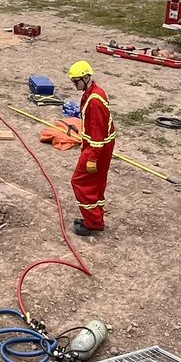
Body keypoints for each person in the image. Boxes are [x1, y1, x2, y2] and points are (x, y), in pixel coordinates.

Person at [67, 60, 117, 237]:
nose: (75, 86)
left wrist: (91, 158)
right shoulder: (93, 92)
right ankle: (94, 218)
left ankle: (93, 223)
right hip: (99, 146)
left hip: (96, 149)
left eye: (76, 82)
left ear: (86, 78)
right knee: (95, 183)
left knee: (81, 182)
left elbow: (97, 134)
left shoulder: (94, 101)